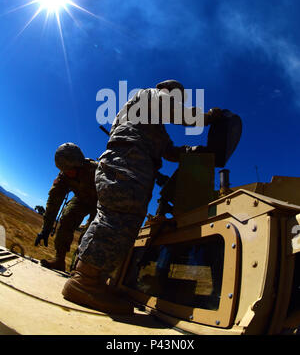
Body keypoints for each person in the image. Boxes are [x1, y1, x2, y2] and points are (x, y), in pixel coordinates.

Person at [62, 80, 222, 314]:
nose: (176, 101)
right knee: (117, 220)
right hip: (126, 163)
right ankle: (84, 282)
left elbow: (169, 151)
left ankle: (93, 279)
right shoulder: (150, 95)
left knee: (120, 221)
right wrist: (208, 117)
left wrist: (195, 152)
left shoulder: (154, 125)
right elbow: (178, 112)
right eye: (176, 97)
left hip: (131, 167)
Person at [35, 143, 98, 272]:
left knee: (91, 233)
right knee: (67, 217)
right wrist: (46, 229)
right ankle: (59, 260)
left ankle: (81, 270)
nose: (67, 173)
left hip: (101, 204)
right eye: (64, 170)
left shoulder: (97, 171)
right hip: (81, 200)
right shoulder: (64, 176)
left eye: (70, 169)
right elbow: (53, 201)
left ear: (79, 164)